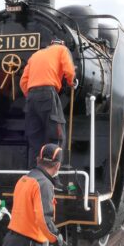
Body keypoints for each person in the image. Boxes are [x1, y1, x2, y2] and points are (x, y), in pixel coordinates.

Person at [20, 39, 76, 168]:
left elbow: (23, 81)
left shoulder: (35, 55)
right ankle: (54, 176)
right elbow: (69, 70)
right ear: (61, 44)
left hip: (30, 97)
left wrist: (31, 95)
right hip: (47, 94)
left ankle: (34, 174)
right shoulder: (62, 50)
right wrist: (71, 82)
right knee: (56, 135)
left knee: (35, 140)